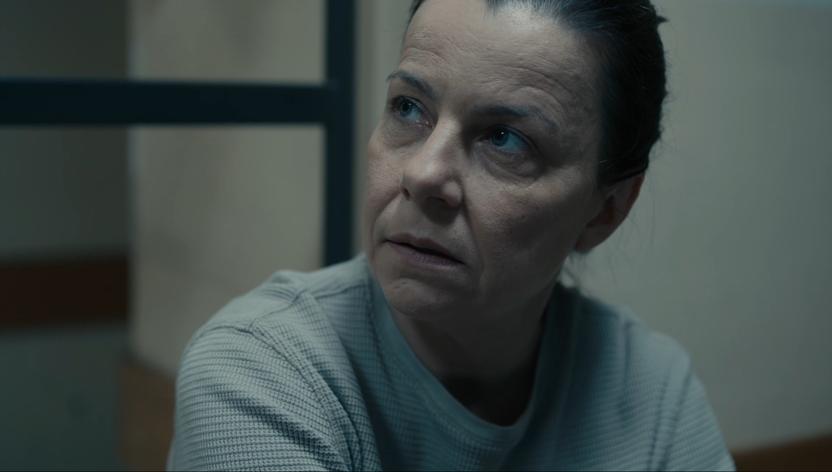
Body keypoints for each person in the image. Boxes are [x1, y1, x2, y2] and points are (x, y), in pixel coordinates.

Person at [168, 0, 734, 470]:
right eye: (408, 107)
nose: (422, 175)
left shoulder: (650, 392)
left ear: (605, 210)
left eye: (507, 139)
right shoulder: (259, 372)